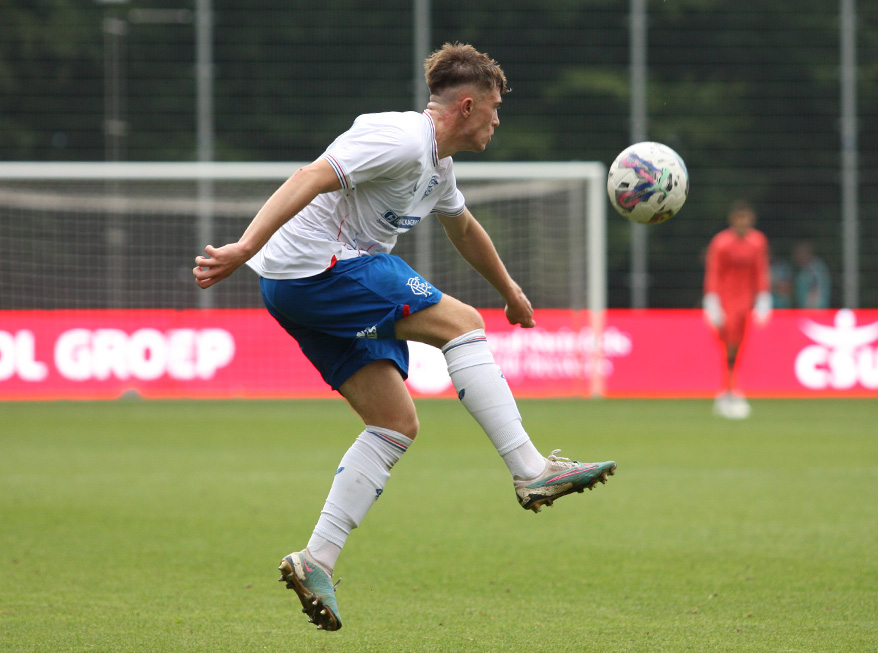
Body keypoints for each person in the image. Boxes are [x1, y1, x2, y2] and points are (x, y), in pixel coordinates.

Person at [192, 43, 616, 632]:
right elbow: (310, 176)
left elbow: (463, 228)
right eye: (493, 109)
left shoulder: (438, 167)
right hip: (321, 269)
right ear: (466, 106)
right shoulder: (400, 138)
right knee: (462, 326)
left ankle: (316, 559)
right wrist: (245, 247)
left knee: (394, 423)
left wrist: (512, 290)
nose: (497, 120)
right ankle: (530, 469)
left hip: (303, 288)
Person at [702, 200, 771, 419]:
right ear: (732, 220)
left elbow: (760, 270)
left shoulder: (757, 242)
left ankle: (731, 391)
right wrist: (711, 299)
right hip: (725, 301)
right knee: (728, 347)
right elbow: (714, 271)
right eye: (739, 218)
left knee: (739, 346)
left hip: (745, 302)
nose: (743, 223)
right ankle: (728, 391)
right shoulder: (721, 243)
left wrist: (763, 296)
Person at [792, 240, 832, 309]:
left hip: (814, 312)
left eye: (798, 253)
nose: (796, 256)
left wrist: (808, 311)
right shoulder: (805, 269)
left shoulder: (815, 269)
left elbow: (815, 291)